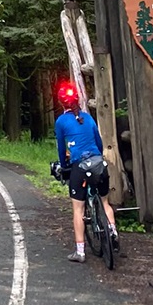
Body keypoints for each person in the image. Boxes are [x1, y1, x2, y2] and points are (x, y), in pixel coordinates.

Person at [53, 82, 118, 263]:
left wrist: (64, 162)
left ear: (62, 103)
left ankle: (80, 251)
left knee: (78, 209)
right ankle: (113, 232)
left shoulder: (61, 121)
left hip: (79, 167)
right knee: (105, 201)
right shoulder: (88, 118)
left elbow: (61, 146)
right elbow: (98, 142)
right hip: (98, 162)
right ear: (77, 100)